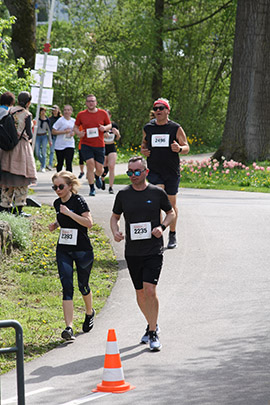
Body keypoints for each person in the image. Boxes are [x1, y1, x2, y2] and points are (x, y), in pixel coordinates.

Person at [110, 156, 175, 351]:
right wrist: (115, 231)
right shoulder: (123, 195)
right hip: (132, 252)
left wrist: (162, 227)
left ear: (145, 172)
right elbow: (115, 218)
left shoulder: (156, 193)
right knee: (139, 293)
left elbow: (171, 213)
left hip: (153, 250)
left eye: (136, 172)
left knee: (150, 290)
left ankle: (153, 332)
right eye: (129, 172)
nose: (132, 176)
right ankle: (151, 324)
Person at [48, 171, 95, 341]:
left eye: (61, 186)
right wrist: (56, 223)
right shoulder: (56, 203)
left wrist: (68, 213)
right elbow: (63, 219)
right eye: (55, 187)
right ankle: (69, 328)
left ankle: (89, 312)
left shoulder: (79, 201)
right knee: (67, 286)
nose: (58, 190)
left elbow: (88, 223)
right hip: (64, 249)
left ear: (69, 186)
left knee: (83, 285)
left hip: (82, 249)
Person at [141, 98, 189, 249]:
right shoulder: (148, 128)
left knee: (170, 203)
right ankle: (158, 234)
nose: (158, 111)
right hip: (154, 170)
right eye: (156, 109)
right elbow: (143, 144)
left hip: (171, 171)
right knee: (157, 201)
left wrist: (180, 149)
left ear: (168, 110)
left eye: (161, 108)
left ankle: (172, 233)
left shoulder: (175, 128)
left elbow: (186, 146)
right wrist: (143, 150)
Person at [0, 91, 37, 216]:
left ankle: (5, 206)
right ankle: (19, 209)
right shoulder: (27, 114)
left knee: (7, 178)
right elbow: (29, 134)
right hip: (21, 148)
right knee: (22, 177)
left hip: (7, 147)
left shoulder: (9, 111)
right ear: (28, 102)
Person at [74, 94, 111, 197]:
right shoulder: (81, 114)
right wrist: (78, 133)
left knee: (100, 168)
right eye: (89, 101)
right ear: (86, 103)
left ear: (96, 102)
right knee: (90, 164)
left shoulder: (103, 113)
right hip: (86, 144)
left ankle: (97, 176)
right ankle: (92, 188)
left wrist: (105, 128)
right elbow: (76, 127)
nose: (91, 103)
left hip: (99, 144)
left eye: (92, 101)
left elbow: (109, 125)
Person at [101, 109, 121, 194]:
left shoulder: (114, 125)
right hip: (103, 147)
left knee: (111, 166)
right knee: (104, 167)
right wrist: (102, 135)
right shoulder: (101, 126)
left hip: (111, 146)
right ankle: (102, 178)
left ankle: (111, 187)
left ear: (110, 116)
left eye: (107, 114)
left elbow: (118, 138)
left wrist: (117, 134)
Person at [52, 105, 75, 172]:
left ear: (71, 111)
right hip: (60, 145)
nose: (66, 112)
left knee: (69, 163)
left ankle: (69, 179)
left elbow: (75, 130)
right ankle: (59, 178)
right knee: (60, 163)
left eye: (68, 110)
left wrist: (73, 133)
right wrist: (64, 132)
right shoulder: (60, 121)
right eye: (65, 110)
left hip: (70, 144)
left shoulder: (74, 121)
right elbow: (53, 131)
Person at [35, 107, 52, 172]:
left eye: (44, 111)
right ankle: (43, 162)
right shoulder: (36, 119)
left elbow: (49, 131)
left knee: (44, 151)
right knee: (37, 152)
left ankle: (43, 166)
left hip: (44, 136)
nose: (43, 112)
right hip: (37, 136)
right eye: (41, 111)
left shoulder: (47, 120)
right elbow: (34, 129)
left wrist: (50, 140)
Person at [48, 105, 62, 170]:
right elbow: (49, 129)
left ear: (58, 110)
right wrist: (49, 138)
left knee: (60, 151)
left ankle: (60, 163)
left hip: (60, 137)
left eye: (55, 109)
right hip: (53, 137)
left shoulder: (61, 118)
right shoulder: (50, 119)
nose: (54, 110)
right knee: (52, 151)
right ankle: (50, 164)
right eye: (53, 109)